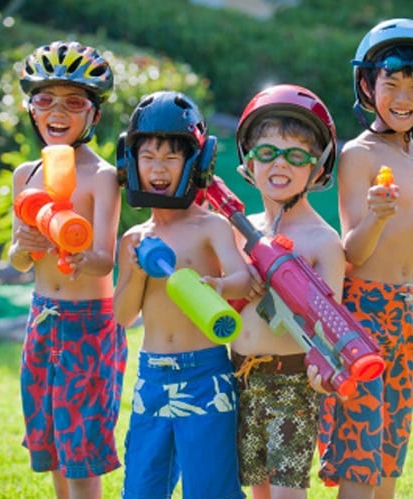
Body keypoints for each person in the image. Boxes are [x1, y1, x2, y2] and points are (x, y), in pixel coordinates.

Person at [317, 18, 413, 499]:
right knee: (360, 454)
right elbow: (352, 253)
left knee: (389, 452)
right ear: (366, 85)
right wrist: (377, 218)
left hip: (404, 312)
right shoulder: (358, 155)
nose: (405, 97)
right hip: (361, 313)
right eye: (392, 84)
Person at [112, 90, 252, 499]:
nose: (158, 167)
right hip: (152, 376)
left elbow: (242, 277)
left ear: (194, 163)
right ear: (131, 162)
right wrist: (137, 272)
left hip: (205, 373)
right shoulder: (134, 239)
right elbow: (122, 316)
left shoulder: (210, 227)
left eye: (171, 157)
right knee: (142, 487)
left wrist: (221, 287)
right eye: (149, 156)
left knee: (210, 487)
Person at [9, 40, 126, 499]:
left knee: (80, 446)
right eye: (45, 100)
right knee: (54, 443)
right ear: (31, 109)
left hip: (88, 325)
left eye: (73, 102)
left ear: (93, 115)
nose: (58, 111)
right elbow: (19, 262)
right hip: (42, 317)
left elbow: (105, 259)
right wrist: (24, 245)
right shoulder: (26, 176)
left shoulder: (101, 177)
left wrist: (79, 255)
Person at [230, 84, 345, 499]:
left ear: (317, 169)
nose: (280, 164)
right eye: (267, 152)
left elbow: (329, 325)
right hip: (240, 378)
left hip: (292, 384)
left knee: (287, 494)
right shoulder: (238, 229)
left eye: (296, 155)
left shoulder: (323, 241)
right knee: (257, 491)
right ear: (248, 160)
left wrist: (323, 369)